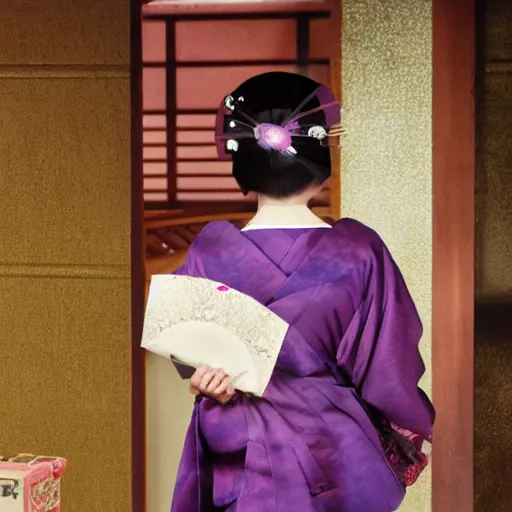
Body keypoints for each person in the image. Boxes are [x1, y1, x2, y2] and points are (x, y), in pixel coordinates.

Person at [171, 72, 434, 512]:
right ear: (320, 162)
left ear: (244, 166)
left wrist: (207, 381)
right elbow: (391, 370)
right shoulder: (358, 250)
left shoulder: (211, 251)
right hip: (335, 455)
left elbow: (184, 350)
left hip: (239, 456)